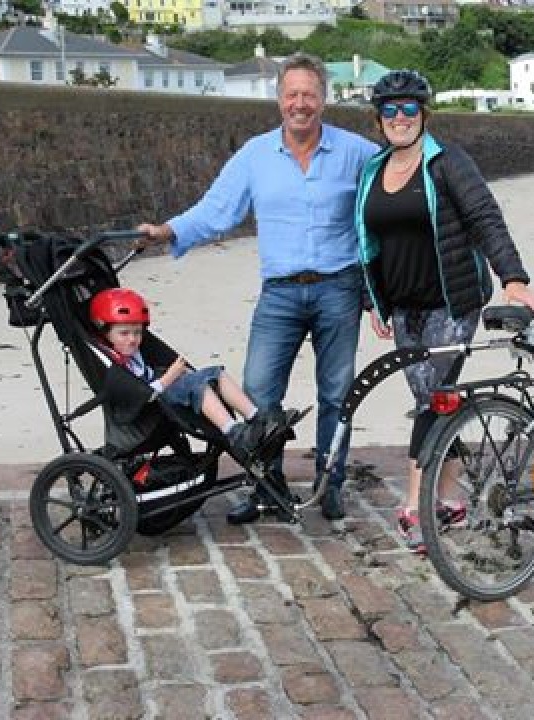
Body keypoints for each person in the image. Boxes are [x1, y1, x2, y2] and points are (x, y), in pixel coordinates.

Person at [136, 52, 380, 523]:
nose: (300, 104)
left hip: (339, 289)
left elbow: (392, 198)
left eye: (309, 94)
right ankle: (267, 486)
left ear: (324, 99)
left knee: (336, 394)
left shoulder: (358, 153)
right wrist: (169, 231)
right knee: (259, 392)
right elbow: (217, 210)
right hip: (280, 293)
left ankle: (332, 483)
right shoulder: (255, 155)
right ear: (279, 100)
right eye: (292, 94)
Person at [354, 69, 534, 553]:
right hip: (404, 310)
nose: (399, 118)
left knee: (430, 400)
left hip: (452, 303)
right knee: (437, 401)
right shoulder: (373, 170)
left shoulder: (448, 163)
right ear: (379, 119)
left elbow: (485, 217)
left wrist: (514, 278)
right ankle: (452, 497)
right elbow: (368, 240)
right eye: (390, 110)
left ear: (424, 114)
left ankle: (416, 506)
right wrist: (373, 299)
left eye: (409, 109)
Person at [89, 287, 280, 462]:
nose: (132, 339)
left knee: (216, 374)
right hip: (148, 413)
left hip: (165, 392)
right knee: (198, 387)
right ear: (105, 333)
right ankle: (236, 434)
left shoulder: (135, 351)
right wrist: (170, 376)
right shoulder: (113, 366)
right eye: (124, 333)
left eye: (138, 333)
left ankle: (258, 418)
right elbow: (140, 395)